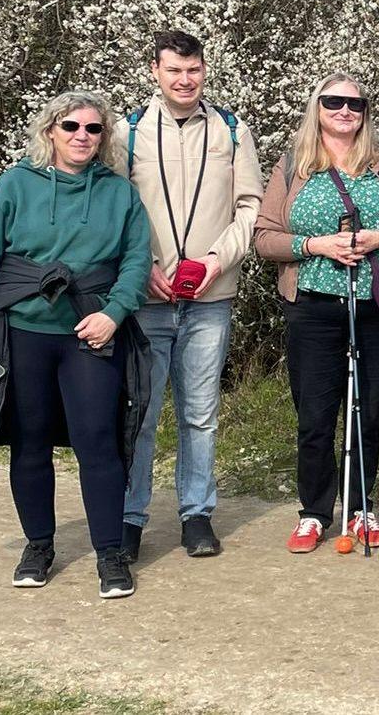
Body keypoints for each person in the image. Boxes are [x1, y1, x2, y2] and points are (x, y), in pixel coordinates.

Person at [0, 91, 152, 597]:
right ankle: (39, 545)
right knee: (30, 442)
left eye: (93, 129)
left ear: (104, 137)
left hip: (90, 332)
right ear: (50, 132)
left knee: (98, 442)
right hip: (25, 332)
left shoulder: (119, 193)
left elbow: (136, 261)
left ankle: (110, 554)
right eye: (71, 127)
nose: (82, 136)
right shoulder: (15, 184)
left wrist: (114, 313)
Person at [254, 72, 379, 554]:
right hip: (313, 305)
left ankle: (361, 506)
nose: (345, 111)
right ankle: (312, 511)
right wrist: (314, 245)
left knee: (365, 409)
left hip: (374, 304)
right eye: (334, 102)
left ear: (365, 110)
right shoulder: (294, 164)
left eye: (354, 103)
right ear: (318, 107)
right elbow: (264, 237)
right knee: (315, 413)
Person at [112, 30, 264, 561]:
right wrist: (143, 265)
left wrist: (219, 259)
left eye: (193, 69)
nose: (184, 79)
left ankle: (196, 513)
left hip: (210, 297)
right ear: (154, 70)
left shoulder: (231, 129)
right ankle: (129, 517)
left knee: (200, 413)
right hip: (145, 300)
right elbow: (115, 209)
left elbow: (252, 207)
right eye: (174, 70)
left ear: (204, 70)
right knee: (142, 411)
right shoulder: (125, 132)